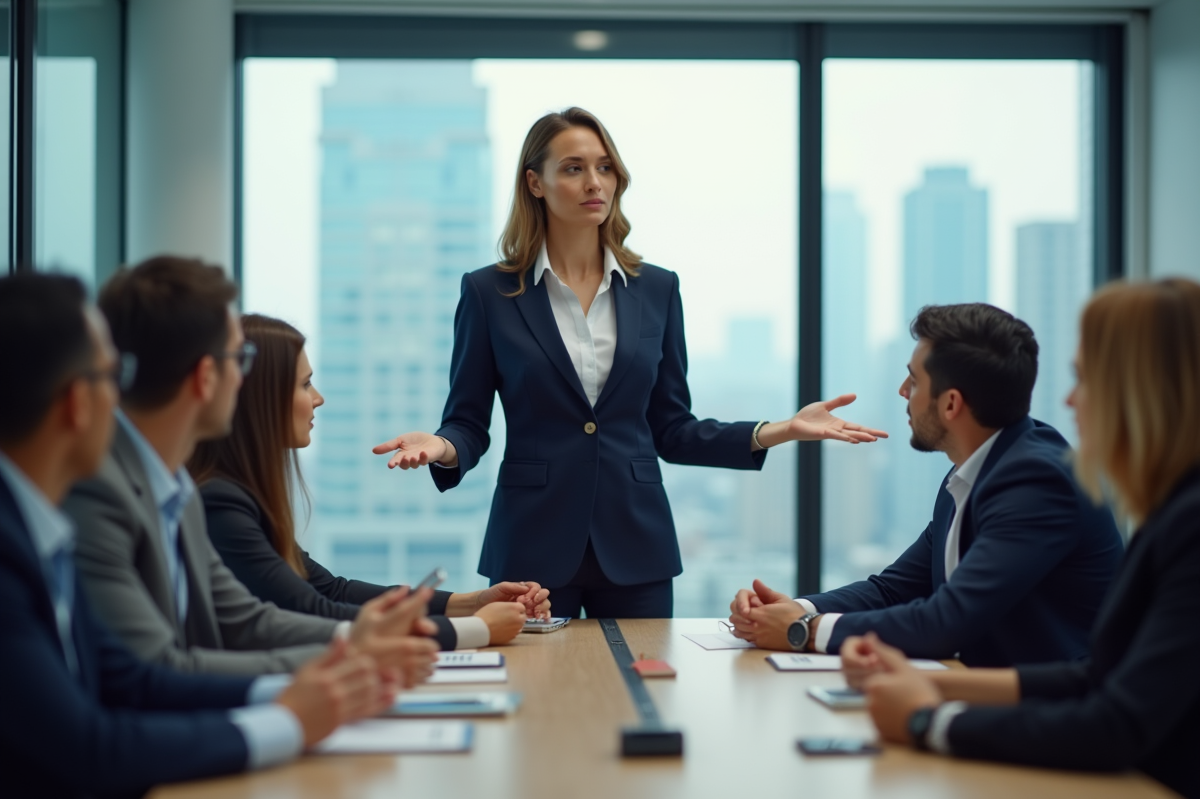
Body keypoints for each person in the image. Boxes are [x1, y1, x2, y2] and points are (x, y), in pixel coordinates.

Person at [370, 107, 887, 619]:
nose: (595, 181)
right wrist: (441, 445)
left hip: (638, 547)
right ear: (535, 182)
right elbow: (468, 422)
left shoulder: (657, 289)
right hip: (531, 546)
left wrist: (781, 429)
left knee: (642, 695)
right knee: (541, 697)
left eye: (605, 167)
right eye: (573, 168)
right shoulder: (489, 292)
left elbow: (673, 429)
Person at [0, 272, 400, 799]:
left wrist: (313, 691)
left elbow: (133, 677)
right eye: (110, 376)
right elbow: (90, 743)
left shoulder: (51, 526)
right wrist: (291, 718)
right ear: (78, 402)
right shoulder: (42, 533)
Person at [855, 279, 1200, 799]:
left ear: (1143, 392)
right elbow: (1098, 677)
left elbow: (1115, 724)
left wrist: (930, 720)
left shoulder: (1188, 525)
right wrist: (932, 683)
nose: (1067, 399)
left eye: (1084, 379)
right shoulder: (1173, 511)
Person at [64, 256, 439, 678]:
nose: (245, 379)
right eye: (238, 360)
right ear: (206, 377)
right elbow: (153, 672)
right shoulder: (108, 495)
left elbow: (248, 619)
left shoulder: (177, 493)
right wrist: (347, 661)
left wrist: (360, 643)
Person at [729, 303, 1123, 666]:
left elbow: (945, 622)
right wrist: (797, 609)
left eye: (914, 381)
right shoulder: (973, 471)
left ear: (951, 404)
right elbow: (894, 590)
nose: (902, 391)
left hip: (1049, 722)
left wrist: (803, 632)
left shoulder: (1037, 482)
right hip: (976, 696)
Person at [189, 314, 551, 651]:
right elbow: (311, 610)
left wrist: (473, 603)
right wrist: (474, 630)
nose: (318, 398)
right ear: (260, 399)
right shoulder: (221, 504)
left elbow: (332, 590)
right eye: (305, 384)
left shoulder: (240, 496)